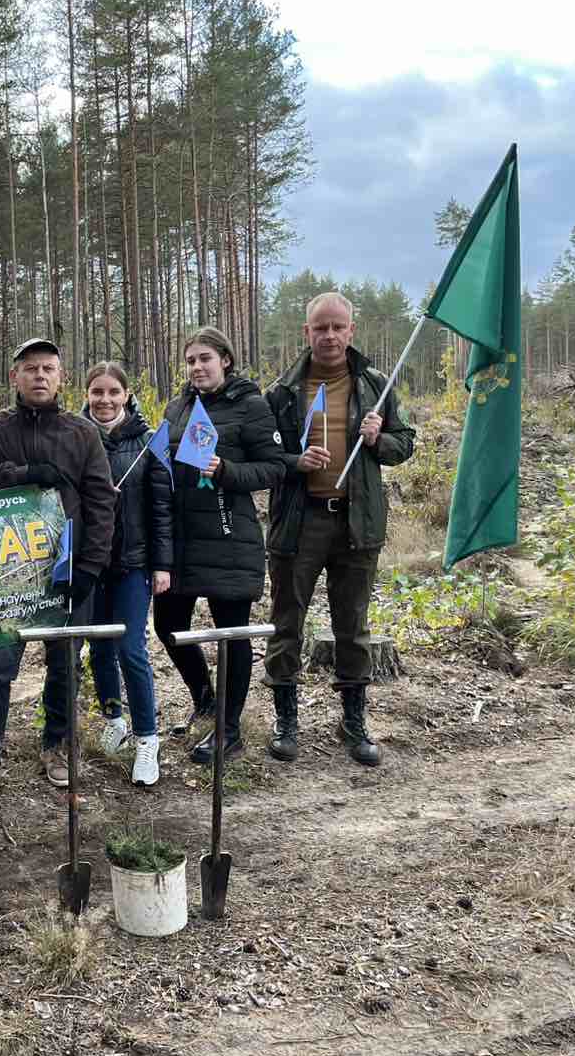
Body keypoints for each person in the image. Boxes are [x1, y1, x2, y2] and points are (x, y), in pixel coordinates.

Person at [0, 337, 116, 801]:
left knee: (64, 663)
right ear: (15, 377)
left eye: (48, 368)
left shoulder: (82, 434)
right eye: (30, 368)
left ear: (61, 377)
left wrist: (90, 567)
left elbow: (101, 503)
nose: (39, 376)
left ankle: (56, 745)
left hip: (68, 571)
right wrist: (22, 474)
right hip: (9, 575)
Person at [263, 293, 417, 766]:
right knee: (286, 622)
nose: (329, 336)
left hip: (356, 521)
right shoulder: (282, 391)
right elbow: (262, 457)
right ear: (306, 332)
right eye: (320, 328)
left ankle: (353, 723)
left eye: (337, 327)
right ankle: (286, 722)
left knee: (352, 626)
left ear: (352, 330)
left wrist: (377, 439)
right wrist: (295, 461)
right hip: (298, 521)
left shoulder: (375, 385)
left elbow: (404, 444)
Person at [152, 327, 285, 765]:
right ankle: (205, 700)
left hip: (229, 537)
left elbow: (273, 468)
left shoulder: (251, 405)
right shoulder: (178, 407)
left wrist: (225, 469)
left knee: (231, 634)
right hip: (182, 538)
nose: (197, 367)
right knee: (168, 625)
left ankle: (229, 731)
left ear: (225, 360)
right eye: (190, 360)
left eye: (205, 358)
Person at [80, 363, 173, 787]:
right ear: (86, 394)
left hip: (134, 563)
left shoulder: (149, 440)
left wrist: (162, 564)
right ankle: (114, 720)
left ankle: (147, 738)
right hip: (90, 564)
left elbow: (161, 508)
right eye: (97, 392)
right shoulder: (76, 436)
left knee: (130, 648)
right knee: (98, 648)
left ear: (126, 394)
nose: (105, 400)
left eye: (113, 392)